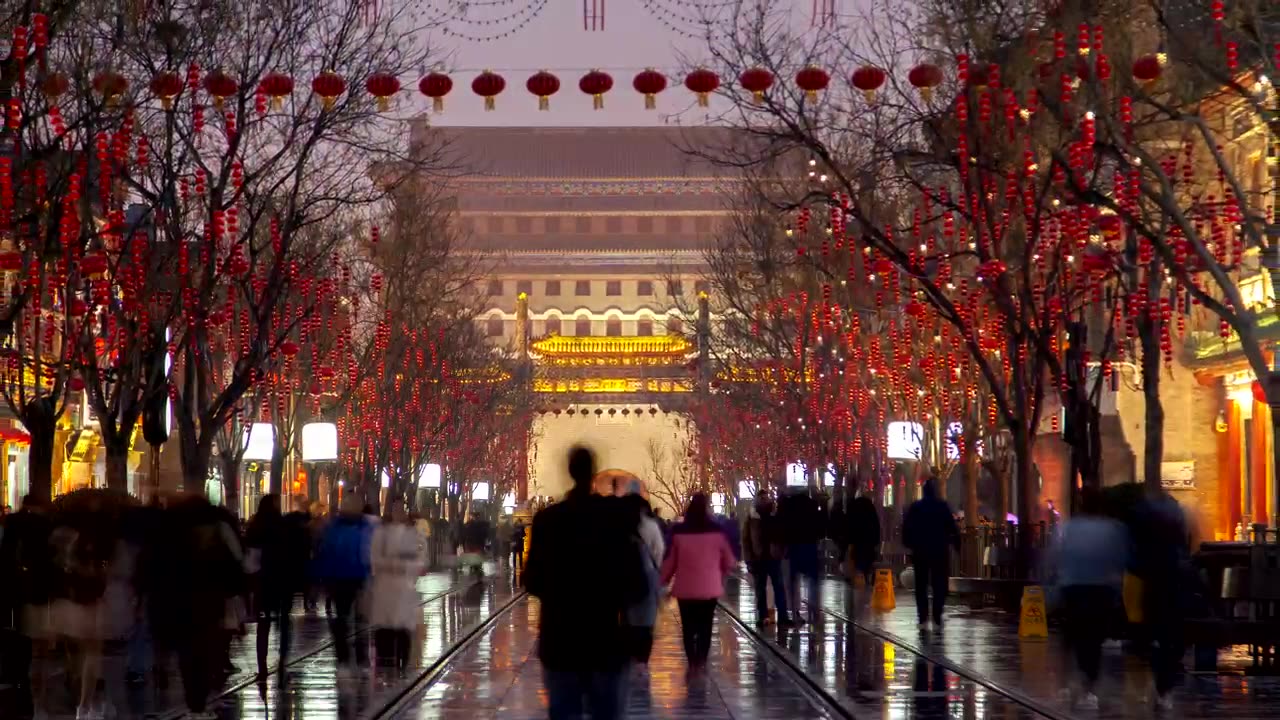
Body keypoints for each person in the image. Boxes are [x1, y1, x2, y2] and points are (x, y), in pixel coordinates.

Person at [525, 446, 648, 720]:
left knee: (564, 712)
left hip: (560, 641)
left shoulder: (548, 520)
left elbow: (531, 580)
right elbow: (637, 585)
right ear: (593, 473)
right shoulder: (614, 519)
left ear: (569, 471)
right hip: (605, 641)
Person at [1047, 487, 1128, 709]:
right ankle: (1088, 687)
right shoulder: (1113, 529)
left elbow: (1053, 557)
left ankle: (1065, 682)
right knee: (1093, 639)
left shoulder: (1069, 528)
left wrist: (1050, 587)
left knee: (1071, 635)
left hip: (1073, 588)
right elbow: (1122, 559)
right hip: (1101, 590)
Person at [660, 493, 736, 675]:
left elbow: (670, 562)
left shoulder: (679, 532)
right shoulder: (717, 532)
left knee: (688, 627)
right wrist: (720, 575)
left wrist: (662, 581)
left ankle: (692, 661)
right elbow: (729, 562)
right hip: (709, 589)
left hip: (685, 589)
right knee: (705, 626)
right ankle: (701, 660)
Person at [1132, 486, 1193, 709]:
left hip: (1155, 592)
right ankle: (1163, 688)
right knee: (1169, 641)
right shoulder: (1177, 548)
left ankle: (1161, 686)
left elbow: (1136, 563)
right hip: (1171, 593)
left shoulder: (1148, 545)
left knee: (1156, 639)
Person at [0, 495, 54, 719]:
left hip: (15, 589)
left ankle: (19, 674)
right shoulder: (44, 525)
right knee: (31, 639)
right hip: (36, 589)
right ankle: (29, 679)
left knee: (18, 632)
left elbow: (6, 554)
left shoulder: (13, 523)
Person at [244, 493, 310, 677]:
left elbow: (251, 559)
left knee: (263, 624)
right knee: (283, 621)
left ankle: (262, 665)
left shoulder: (256, 527)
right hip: (282, 583)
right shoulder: (283, 526)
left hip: (264, 585)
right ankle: (282, 659)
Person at [315, 495, 374, 676]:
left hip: (360, 579)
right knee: (342, 621)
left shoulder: (367, 528)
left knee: (360, 621)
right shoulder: (334, 528)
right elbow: (325, 552)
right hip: (339, 579)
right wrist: (322, 578)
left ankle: (361, 658)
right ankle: (344, 659)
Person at [369, 503, 426, 673]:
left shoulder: (413, 536)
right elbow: (374, 558)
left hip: (403, 588)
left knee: (402, 627)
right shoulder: (381, 535)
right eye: (395, 511)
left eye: (400, 511)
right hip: (385, 588)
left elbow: (421, 560)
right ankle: (385, 662)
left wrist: (406, 569)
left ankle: (402, 659)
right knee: (385, 628)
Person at [902, 478, 960, 630]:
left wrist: (909, 544)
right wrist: (956, 545)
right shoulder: (942, 507)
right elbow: (952, 528)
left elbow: (907, 528)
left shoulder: (916, 507)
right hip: (939, 550)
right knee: (939, 584)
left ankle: (922, 616)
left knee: (920, 584)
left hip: (920, 551)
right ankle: (937, 615)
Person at [621, 484, 663, 668]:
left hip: (624, 582)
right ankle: (642, 663)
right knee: (646, 624)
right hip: (647, 579)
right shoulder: (652, 526)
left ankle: (629, 658)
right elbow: (659, 553)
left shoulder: (619, 526)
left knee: (627, 621)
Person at [742, 492, 790, 628]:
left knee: (777, 587)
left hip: (772, 557)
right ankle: (763, 616)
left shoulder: (774, 515)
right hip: (759, 558)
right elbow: (746, 540)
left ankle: (782, 616)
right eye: (762, 498)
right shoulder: (752, 517)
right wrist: (749, 559)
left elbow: (782, 534)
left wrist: (782, 551)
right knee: (762, 589)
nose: (764, 500)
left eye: (766, 498)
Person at [778, 489, 825, 624]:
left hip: (792, 548)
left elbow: (783, 527)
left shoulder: (787, 506)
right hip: (810, 546)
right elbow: (820, 528)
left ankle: (794, 611)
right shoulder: (812, 505)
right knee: (813, 581)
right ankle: (814, 609)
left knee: (792, 582)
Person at [846, 493, 882, 590]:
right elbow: (876, 533)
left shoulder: (854, 516)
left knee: (858, 569)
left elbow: (850, 534)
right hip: (869, 548)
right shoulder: (872, 516)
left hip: (857, 548)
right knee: (864, 569)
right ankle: (863, 586)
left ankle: (859, 588)